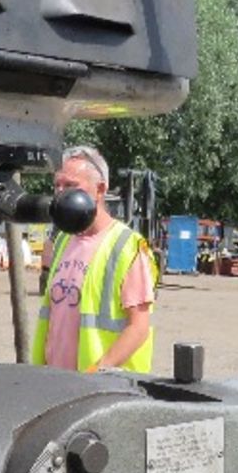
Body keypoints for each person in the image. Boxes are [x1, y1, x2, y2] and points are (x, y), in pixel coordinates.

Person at [31, 145, 157, 372]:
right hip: (55, 381)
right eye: (57, 186)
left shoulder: (126, 246)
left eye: (70, 186)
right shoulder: (62, 241)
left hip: (100, 388)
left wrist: (98, 370)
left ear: (100, 189)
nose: (61, 193)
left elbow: (138, 327)